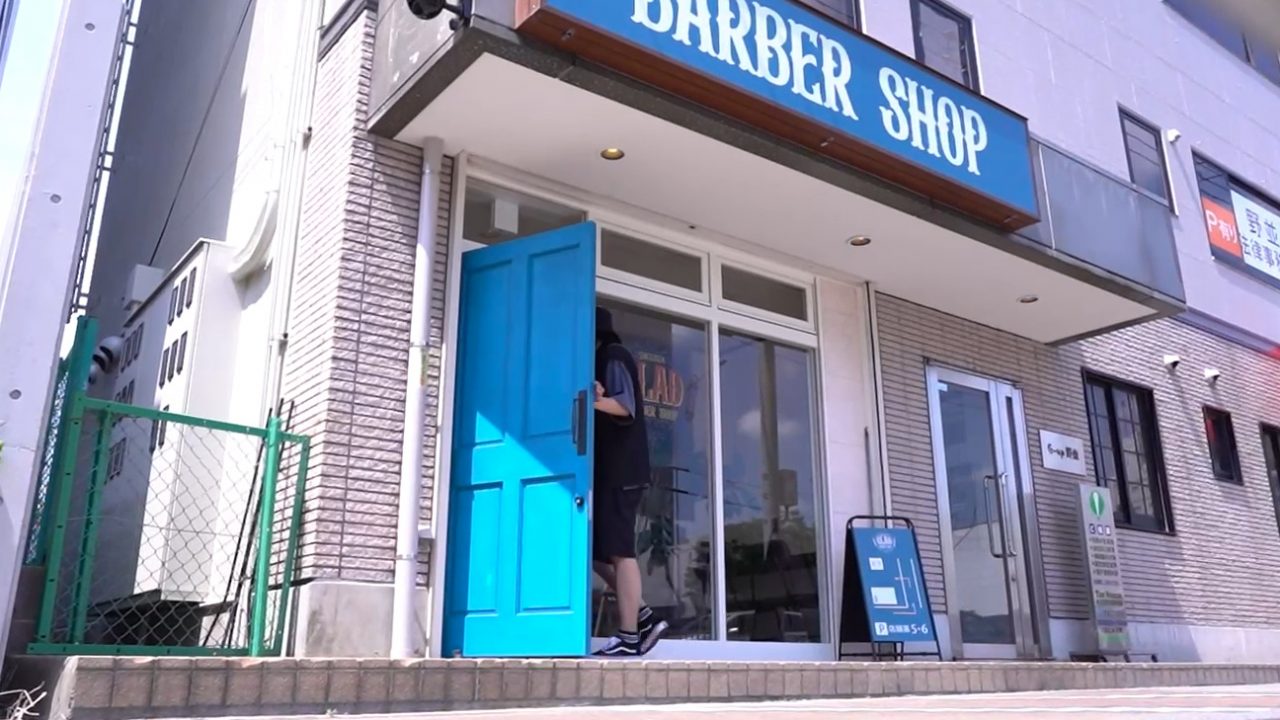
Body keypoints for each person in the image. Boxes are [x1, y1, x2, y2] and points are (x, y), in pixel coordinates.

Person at [592, 306, 668, 657]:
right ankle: (644, 617)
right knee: (595, 552)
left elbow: (625, 406)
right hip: (613, 472)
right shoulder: (603, 359)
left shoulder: (614, 354)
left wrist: (592, 399)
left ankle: (629, 636)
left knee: (620, 551)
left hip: (623, 471)